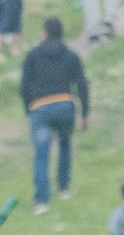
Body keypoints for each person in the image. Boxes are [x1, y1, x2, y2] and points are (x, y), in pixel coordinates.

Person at [20, 18, 89, 213]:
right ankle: (64, 188)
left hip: (40, 108)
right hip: (65, 105)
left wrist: (29, 109)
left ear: (45, 33)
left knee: (41, 155)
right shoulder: (71, 56)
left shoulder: (32, 55)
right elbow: (82, 85)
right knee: (65, 145)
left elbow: (24, 86)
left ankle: (42, 201)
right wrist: (84, 113)